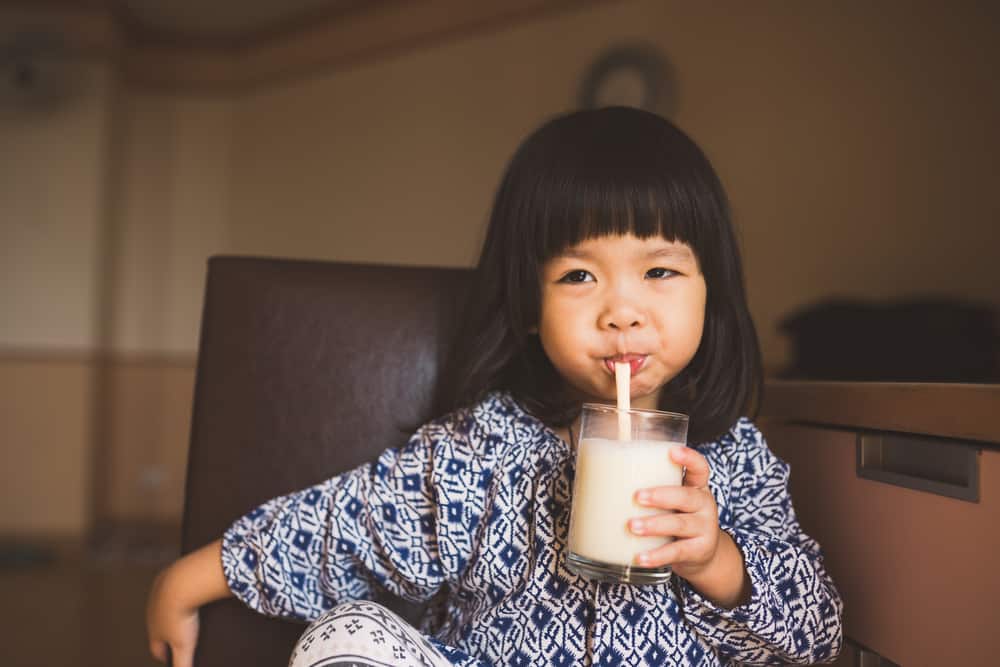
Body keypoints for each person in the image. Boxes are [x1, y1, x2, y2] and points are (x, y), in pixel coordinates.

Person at [147, 106, 843, 666]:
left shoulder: (734, 457)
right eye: (578, 275)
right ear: (529, 307)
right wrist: (190, 580)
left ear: (710, 294)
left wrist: (717, 561)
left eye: (659, 271)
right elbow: (348, 526)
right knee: (344, 636)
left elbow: (818, 635)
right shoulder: (480, 449)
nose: (622, 312)